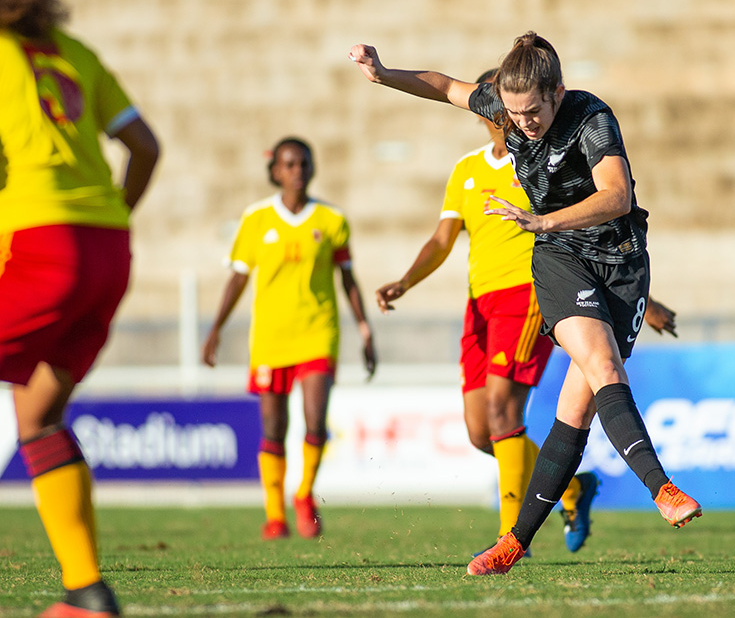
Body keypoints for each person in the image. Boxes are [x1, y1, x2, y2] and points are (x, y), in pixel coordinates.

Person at [351, 32, 701, 576]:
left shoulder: (592, 118)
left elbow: (617, 195)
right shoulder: (510, 110)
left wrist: (544, 219)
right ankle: (664, 489)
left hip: (621, 260)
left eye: (532, 112)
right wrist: (384, 73)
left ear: (557, 93)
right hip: (559, 259)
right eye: (512, 113)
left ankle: (513, 542)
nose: (522, 123)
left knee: (573, 411)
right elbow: (444, 86)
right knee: (601, 364)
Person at [0, 0, 160, 616]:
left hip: (39, 248)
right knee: (38, 415)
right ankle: (85, 592)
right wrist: (111, 215)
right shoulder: (77, 54)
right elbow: (145, 146)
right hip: (107, 251)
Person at [202, 137, 377, 541]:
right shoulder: (256, 218)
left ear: (312, 169)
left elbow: (347, 277)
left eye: (303, 164)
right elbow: (238, 277)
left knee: (315, 418)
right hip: (270, 338)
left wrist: (364, 328)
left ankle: (303, 496)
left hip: (318, 332)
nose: (297, 171)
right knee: (273, 426)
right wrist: (215, 329)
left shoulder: (332, 220)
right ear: (275, 171)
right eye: (289, 164)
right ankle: (273, 515)